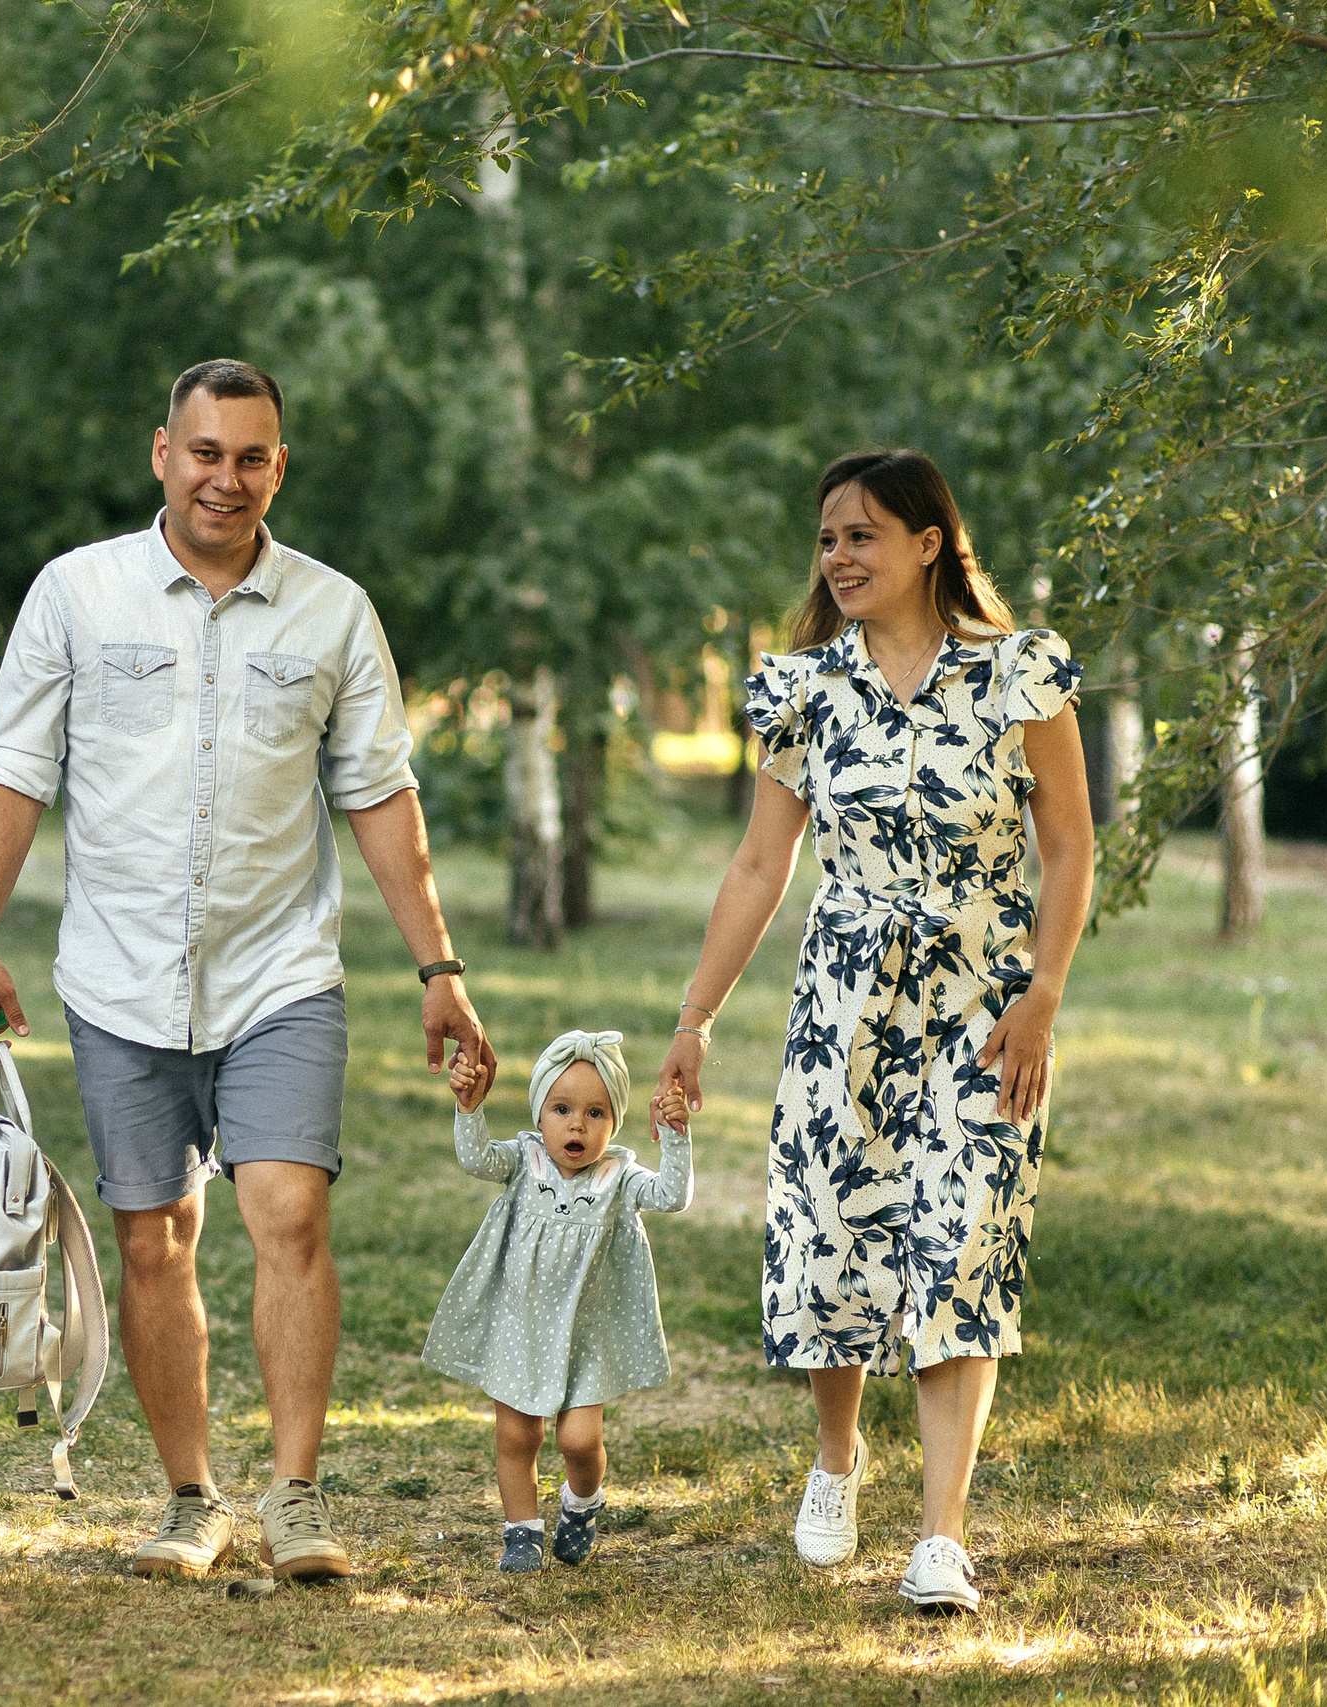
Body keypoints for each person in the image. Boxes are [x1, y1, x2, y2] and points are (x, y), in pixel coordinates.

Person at [0, 358, 497, 1582]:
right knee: (153, 1239)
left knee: (289, 1215)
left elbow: (380, 795)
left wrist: (439, 967)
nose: (225, 479)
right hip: (118, 977)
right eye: (204, 453)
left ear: (278, 469)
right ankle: (191, 1499)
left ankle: (295, 1496)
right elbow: (15, 770)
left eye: (251, 458)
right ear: (163, 454)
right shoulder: (75, 593)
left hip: (278, 976)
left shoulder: (332, 612)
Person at [652, 449, 1094, 1615]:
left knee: (963, 1244)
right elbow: (760, 865)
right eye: (827, 539)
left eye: (861, 536)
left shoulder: (1021, 674)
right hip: (844, 999)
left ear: (927, 541)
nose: (837, 558)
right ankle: (836, 1455)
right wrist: (695, 1020)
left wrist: (1043, 992)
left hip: (986, 1006)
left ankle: (941, 1536)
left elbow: (1067, 847)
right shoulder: (802, 690)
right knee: (833, 1238)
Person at [424, 1031, 693, 1573]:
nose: (577, 1126)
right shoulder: (524, 1161)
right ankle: (522, 1531)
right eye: (562, 1109)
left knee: (580, 1440)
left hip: (586, 1333)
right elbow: (475, 1159)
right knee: (516, 1435)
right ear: (539, 1112)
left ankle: (582, 1501)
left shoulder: (619, 1178)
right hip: (519, 1325)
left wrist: (676, 1135)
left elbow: (672, 1197)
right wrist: (468, 1108)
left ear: (614, 1121)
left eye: (596, 1113)